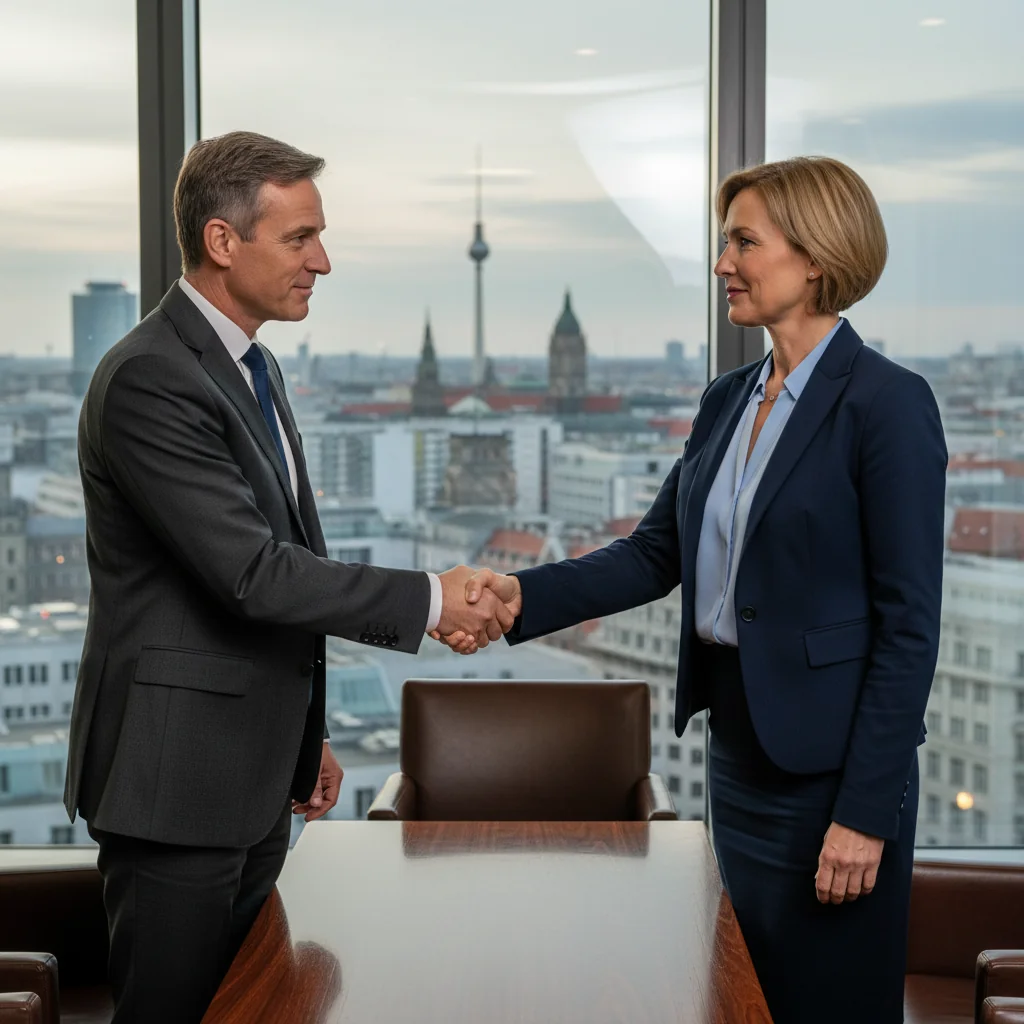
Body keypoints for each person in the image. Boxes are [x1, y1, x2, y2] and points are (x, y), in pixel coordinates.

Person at [437, 156, 947, 1022]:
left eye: (744, 242)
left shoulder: (888, 405)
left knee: (827, 1001)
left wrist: (865, 813)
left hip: (833, 774)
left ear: (816, 257)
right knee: (740, 994)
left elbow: (908, 630)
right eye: (723, 243)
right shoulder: (727, 401)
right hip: (738, 754)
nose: (722, 265)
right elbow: (652, 553)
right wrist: (519, 596)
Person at [65, 130, 510, 1024]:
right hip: (175, 787)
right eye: (300, 237)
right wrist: (430, 598)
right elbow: (256, 576)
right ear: (224, 242)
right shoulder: (154, 376)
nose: (324, 261)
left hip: (245, 779)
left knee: (247, 1009)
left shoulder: (252, 366)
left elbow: (278, 569)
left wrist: (299, 739)